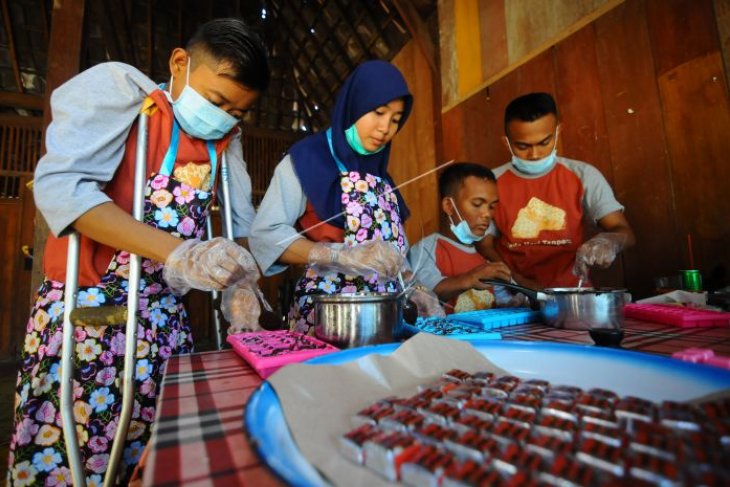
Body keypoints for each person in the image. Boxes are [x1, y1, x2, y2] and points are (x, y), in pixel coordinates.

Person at [7, 18, 269, 485]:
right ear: (179, 62)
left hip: (165, 327)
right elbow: (63, 190)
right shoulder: (124, 94)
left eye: (237, 111)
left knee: (155, 458)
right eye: (217, 101)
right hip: (89, 317)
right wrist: (180, 252)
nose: (225, 117)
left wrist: (239, 280)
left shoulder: (225, 143)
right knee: (74, 455)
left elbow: (239, 226)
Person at [250, 60, 442, 333]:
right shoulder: (306, 159)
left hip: (386, 315)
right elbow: (266, 235)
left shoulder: (382, 177)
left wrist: (416, 287)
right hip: (328, 315)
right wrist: (337, 255)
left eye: (396, 119)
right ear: (355, 104)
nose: (386, 128)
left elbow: (397, 257)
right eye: (378, 112)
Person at [479, 92, 635, 289]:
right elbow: (485, 245)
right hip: (514, 294)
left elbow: (624, 232)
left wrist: (610, 241)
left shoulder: (583, 175)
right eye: (522, 146)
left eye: (544, 142)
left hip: (573, 293)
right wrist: (518, 283)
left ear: (558, 131)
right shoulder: (490, 184)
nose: (534, 154)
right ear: (507, 143)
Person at [409, 162, 523, 313]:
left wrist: (520, 300)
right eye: (477, 204)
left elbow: (500, 301)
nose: (487, 214)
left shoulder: (485, 256)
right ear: (449, 206)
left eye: (491, 206)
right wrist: (470, 278)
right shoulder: (427, 249)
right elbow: (423, 294)